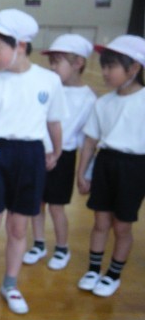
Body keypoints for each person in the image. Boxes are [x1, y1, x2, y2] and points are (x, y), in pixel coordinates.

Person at [0, 9, 66, 315]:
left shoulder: (49, 81)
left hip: (31, 155)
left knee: (19, 228)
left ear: (20, 45)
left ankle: (10, 284)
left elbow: (54, 121)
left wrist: (56, 151)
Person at [76, 35, 145, 297]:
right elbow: (90, 141)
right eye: (103, 66)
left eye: (111, 66)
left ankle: (113, 274)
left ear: (134, 68)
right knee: (101, 221)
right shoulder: (103, 103)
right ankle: (93, 269)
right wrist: (82, 172)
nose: (105, 72)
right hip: (106, 163)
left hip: (135, 167)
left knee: (122, 225)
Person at [23, 35, 96, 270]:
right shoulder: (48, 87)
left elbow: (87, 140)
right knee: (37, 202)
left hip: (63, 156)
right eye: (51, 62)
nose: (52, 67)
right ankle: (38, 244)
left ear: (78, 63)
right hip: (38, 152)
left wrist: (84, 173)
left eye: (58, 62)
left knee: (56, 206)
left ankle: (62, 247)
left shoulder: (88, 99)